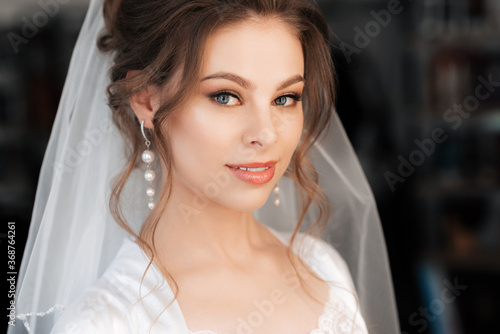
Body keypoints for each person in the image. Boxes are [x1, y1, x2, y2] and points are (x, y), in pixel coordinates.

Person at [9, 0, 400, 333]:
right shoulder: (107, 321)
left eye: (285, 98)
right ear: (146, 99)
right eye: (226, 96)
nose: (265, 134)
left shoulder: (322, 269)